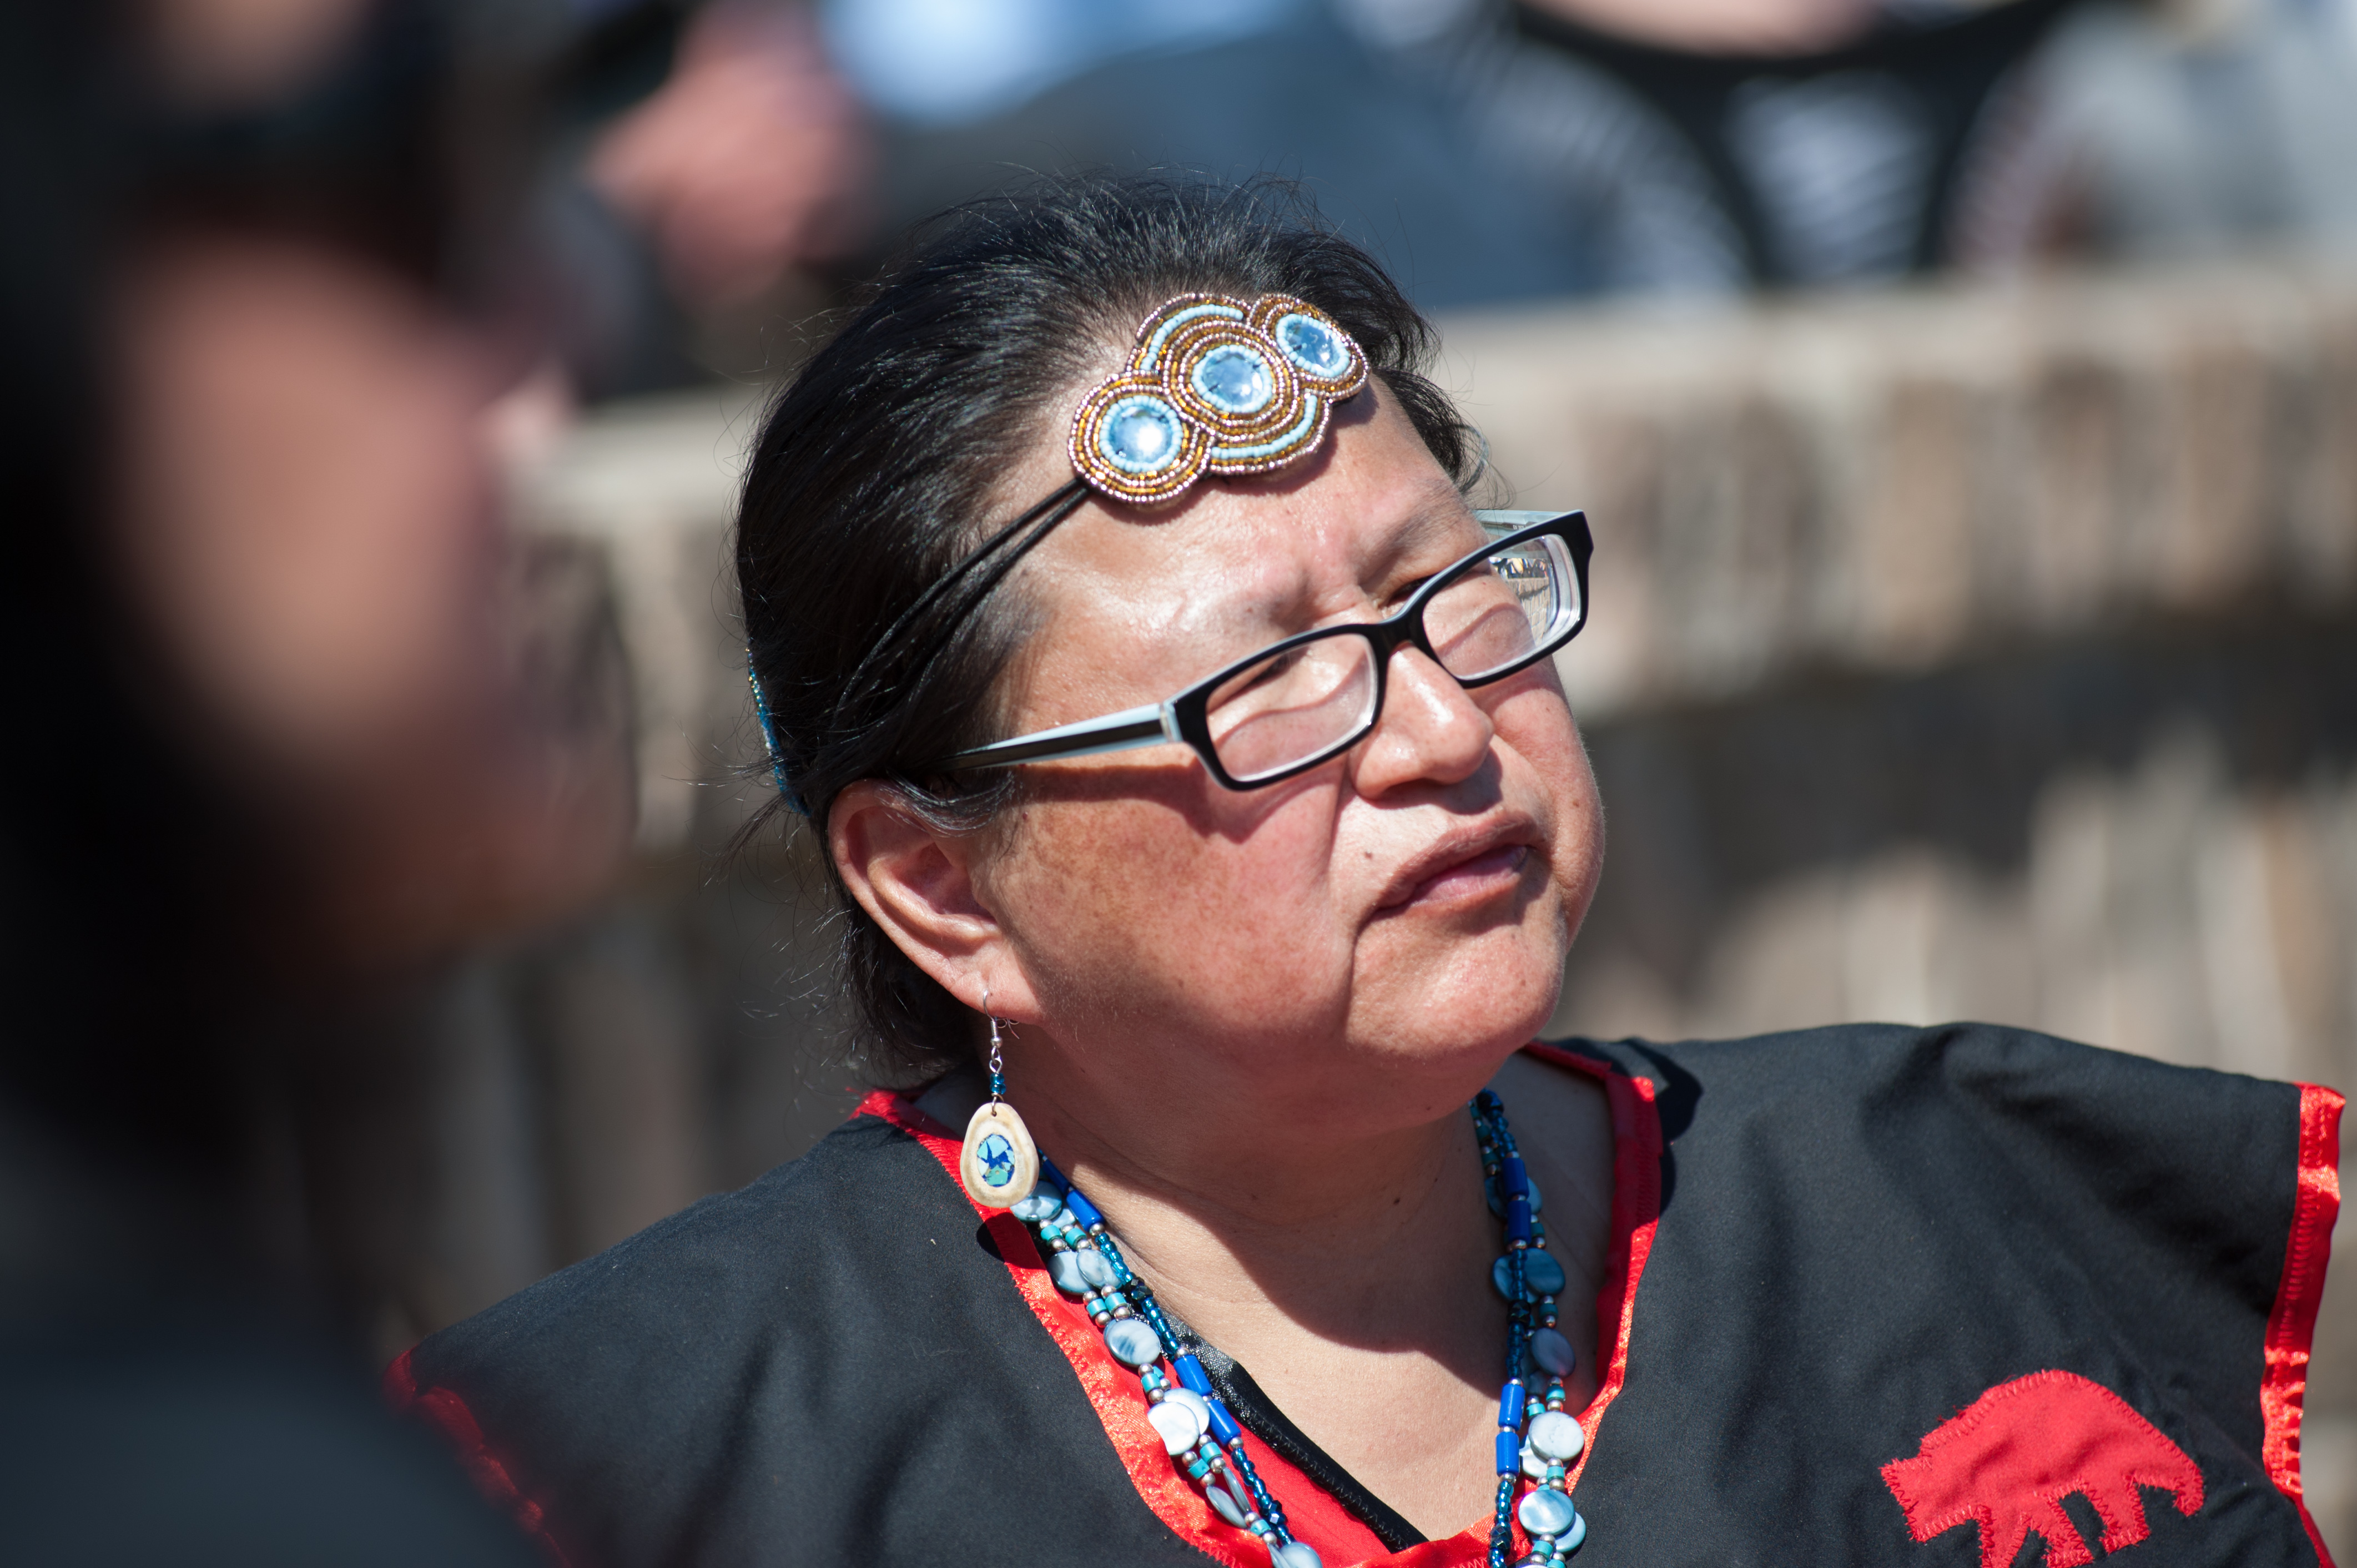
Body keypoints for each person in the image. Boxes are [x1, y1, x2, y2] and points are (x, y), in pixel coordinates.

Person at [392, 175, 2340, 1567]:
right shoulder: (631, 1465)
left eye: (1453, 596)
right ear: (940, 886)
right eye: (1269, 687)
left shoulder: (1952, 1205)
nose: (1436, 733)